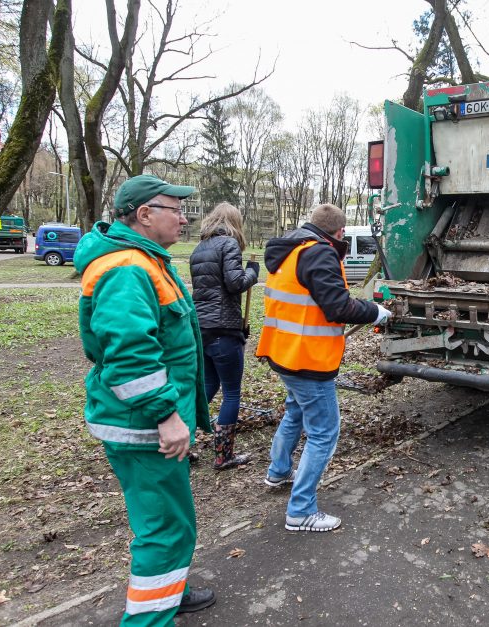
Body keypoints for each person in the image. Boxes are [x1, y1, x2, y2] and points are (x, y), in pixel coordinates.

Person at [74, 174, 216, 624]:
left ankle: (169, 592)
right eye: (175, 209)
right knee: (165, 528)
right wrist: (167, 416)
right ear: (144, 214)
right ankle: (149, 618)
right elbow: (130, 355)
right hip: (142, 424)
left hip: (146, 421)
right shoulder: (127, 268)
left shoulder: (146, 260)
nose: (184, 218)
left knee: (169, 518)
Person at [256, 203, 392, 532]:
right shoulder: (320, 253)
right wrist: (376, 312)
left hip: (283, 353)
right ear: (340, 232)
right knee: (324, 434)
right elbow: (337, 306)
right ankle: (301, 510)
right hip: (308, 359)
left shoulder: (290, 249)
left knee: (295, 412)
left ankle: (278, 472)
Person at [189, 202, 260, 470]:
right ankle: (224, 455)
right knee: (231, 392)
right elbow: (235, 283)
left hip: (202, 328)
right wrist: (253, 271)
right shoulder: (228, 244)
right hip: (223, 329)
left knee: (207, 386)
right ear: (234, 222)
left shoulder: (200, 248)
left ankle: (184, 444)